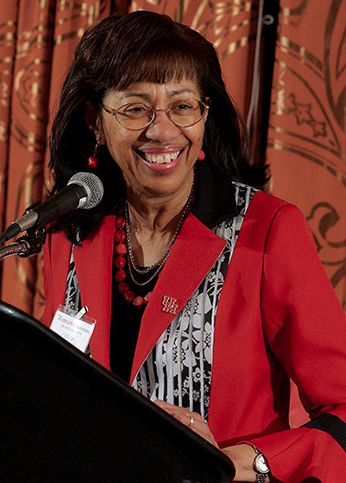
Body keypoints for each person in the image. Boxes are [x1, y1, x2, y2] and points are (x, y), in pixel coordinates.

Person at [41, 10, 346, 482]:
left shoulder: (267, 231)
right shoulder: (71, 229)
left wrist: (246, 464)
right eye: (135, 108)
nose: (162, 131)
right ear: (94, 121)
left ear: (205, 115)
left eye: (181, 106)